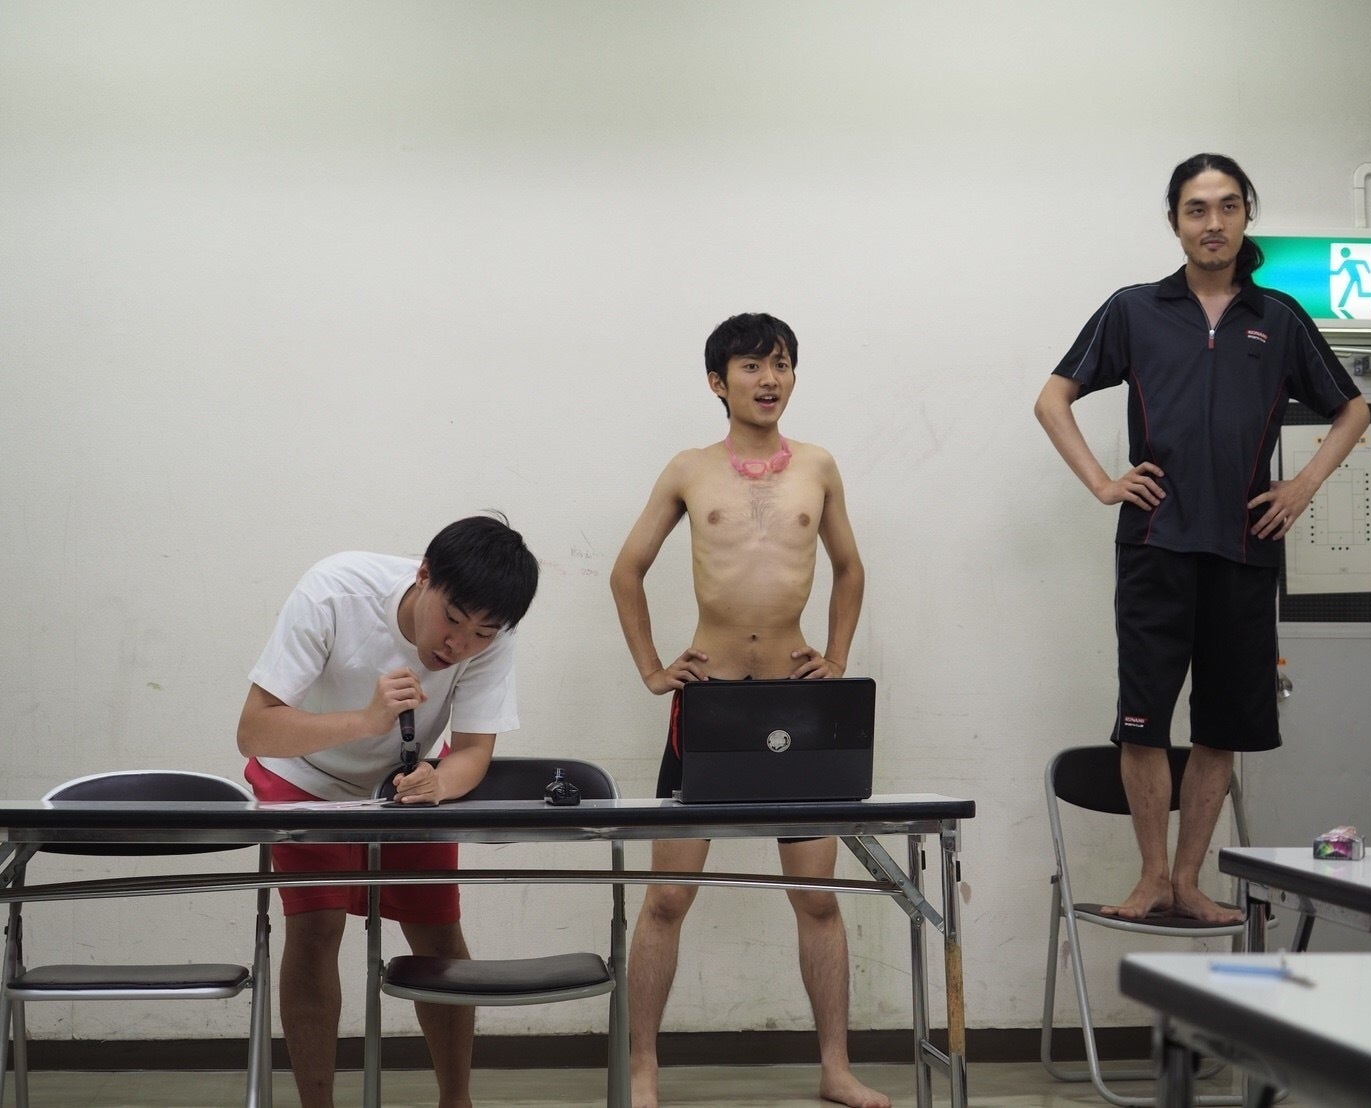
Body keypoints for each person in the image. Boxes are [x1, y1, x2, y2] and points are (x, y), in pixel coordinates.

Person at [1034, 153, 1371, 924]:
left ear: (1246, 215)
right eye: (1196, 208)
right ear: (1175, 221)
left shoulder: (1278, 318)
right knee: (1144, 720)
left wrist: (1303, 484)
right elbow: (1053, 398)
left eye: (1226, 206)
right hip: (1155, 544)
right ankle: (1152, 878)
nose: (1212, 222)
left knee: (1222, 725)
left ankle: (1189, 882)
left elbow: (1351, 409)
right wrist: (1103, 482)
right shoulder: (1134, 309)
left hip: (1244, 548)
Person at [610, 313, 887, 1108]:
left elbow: (850, 567)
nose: (770, 379)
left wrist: (837, 659)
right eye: (752, 366)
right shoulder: (689, 470)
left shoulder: (818, 466)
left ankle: (834, 1068)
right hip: (711, 703)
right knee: (668, 898)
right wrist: (653, 670)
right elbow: (626, 571)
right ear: (718, 381)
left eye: (782, 364)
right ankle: (643, 1071)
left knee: (818, 899)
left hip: (796, 704)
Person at [236, 514, 539, 1108]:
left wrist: (438, 783)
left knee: (439, 935)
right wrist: (366, 720)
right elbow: (254, 730)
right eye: (452, 620)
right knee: (316, 930)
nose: (458, 645)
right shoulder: (334, 591)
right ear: (424, 576)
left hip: (399, 787)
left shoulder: (493, 637)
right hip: (301, 775)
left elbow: (472, 750)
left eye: (482, 633)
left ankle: (457, 1100)